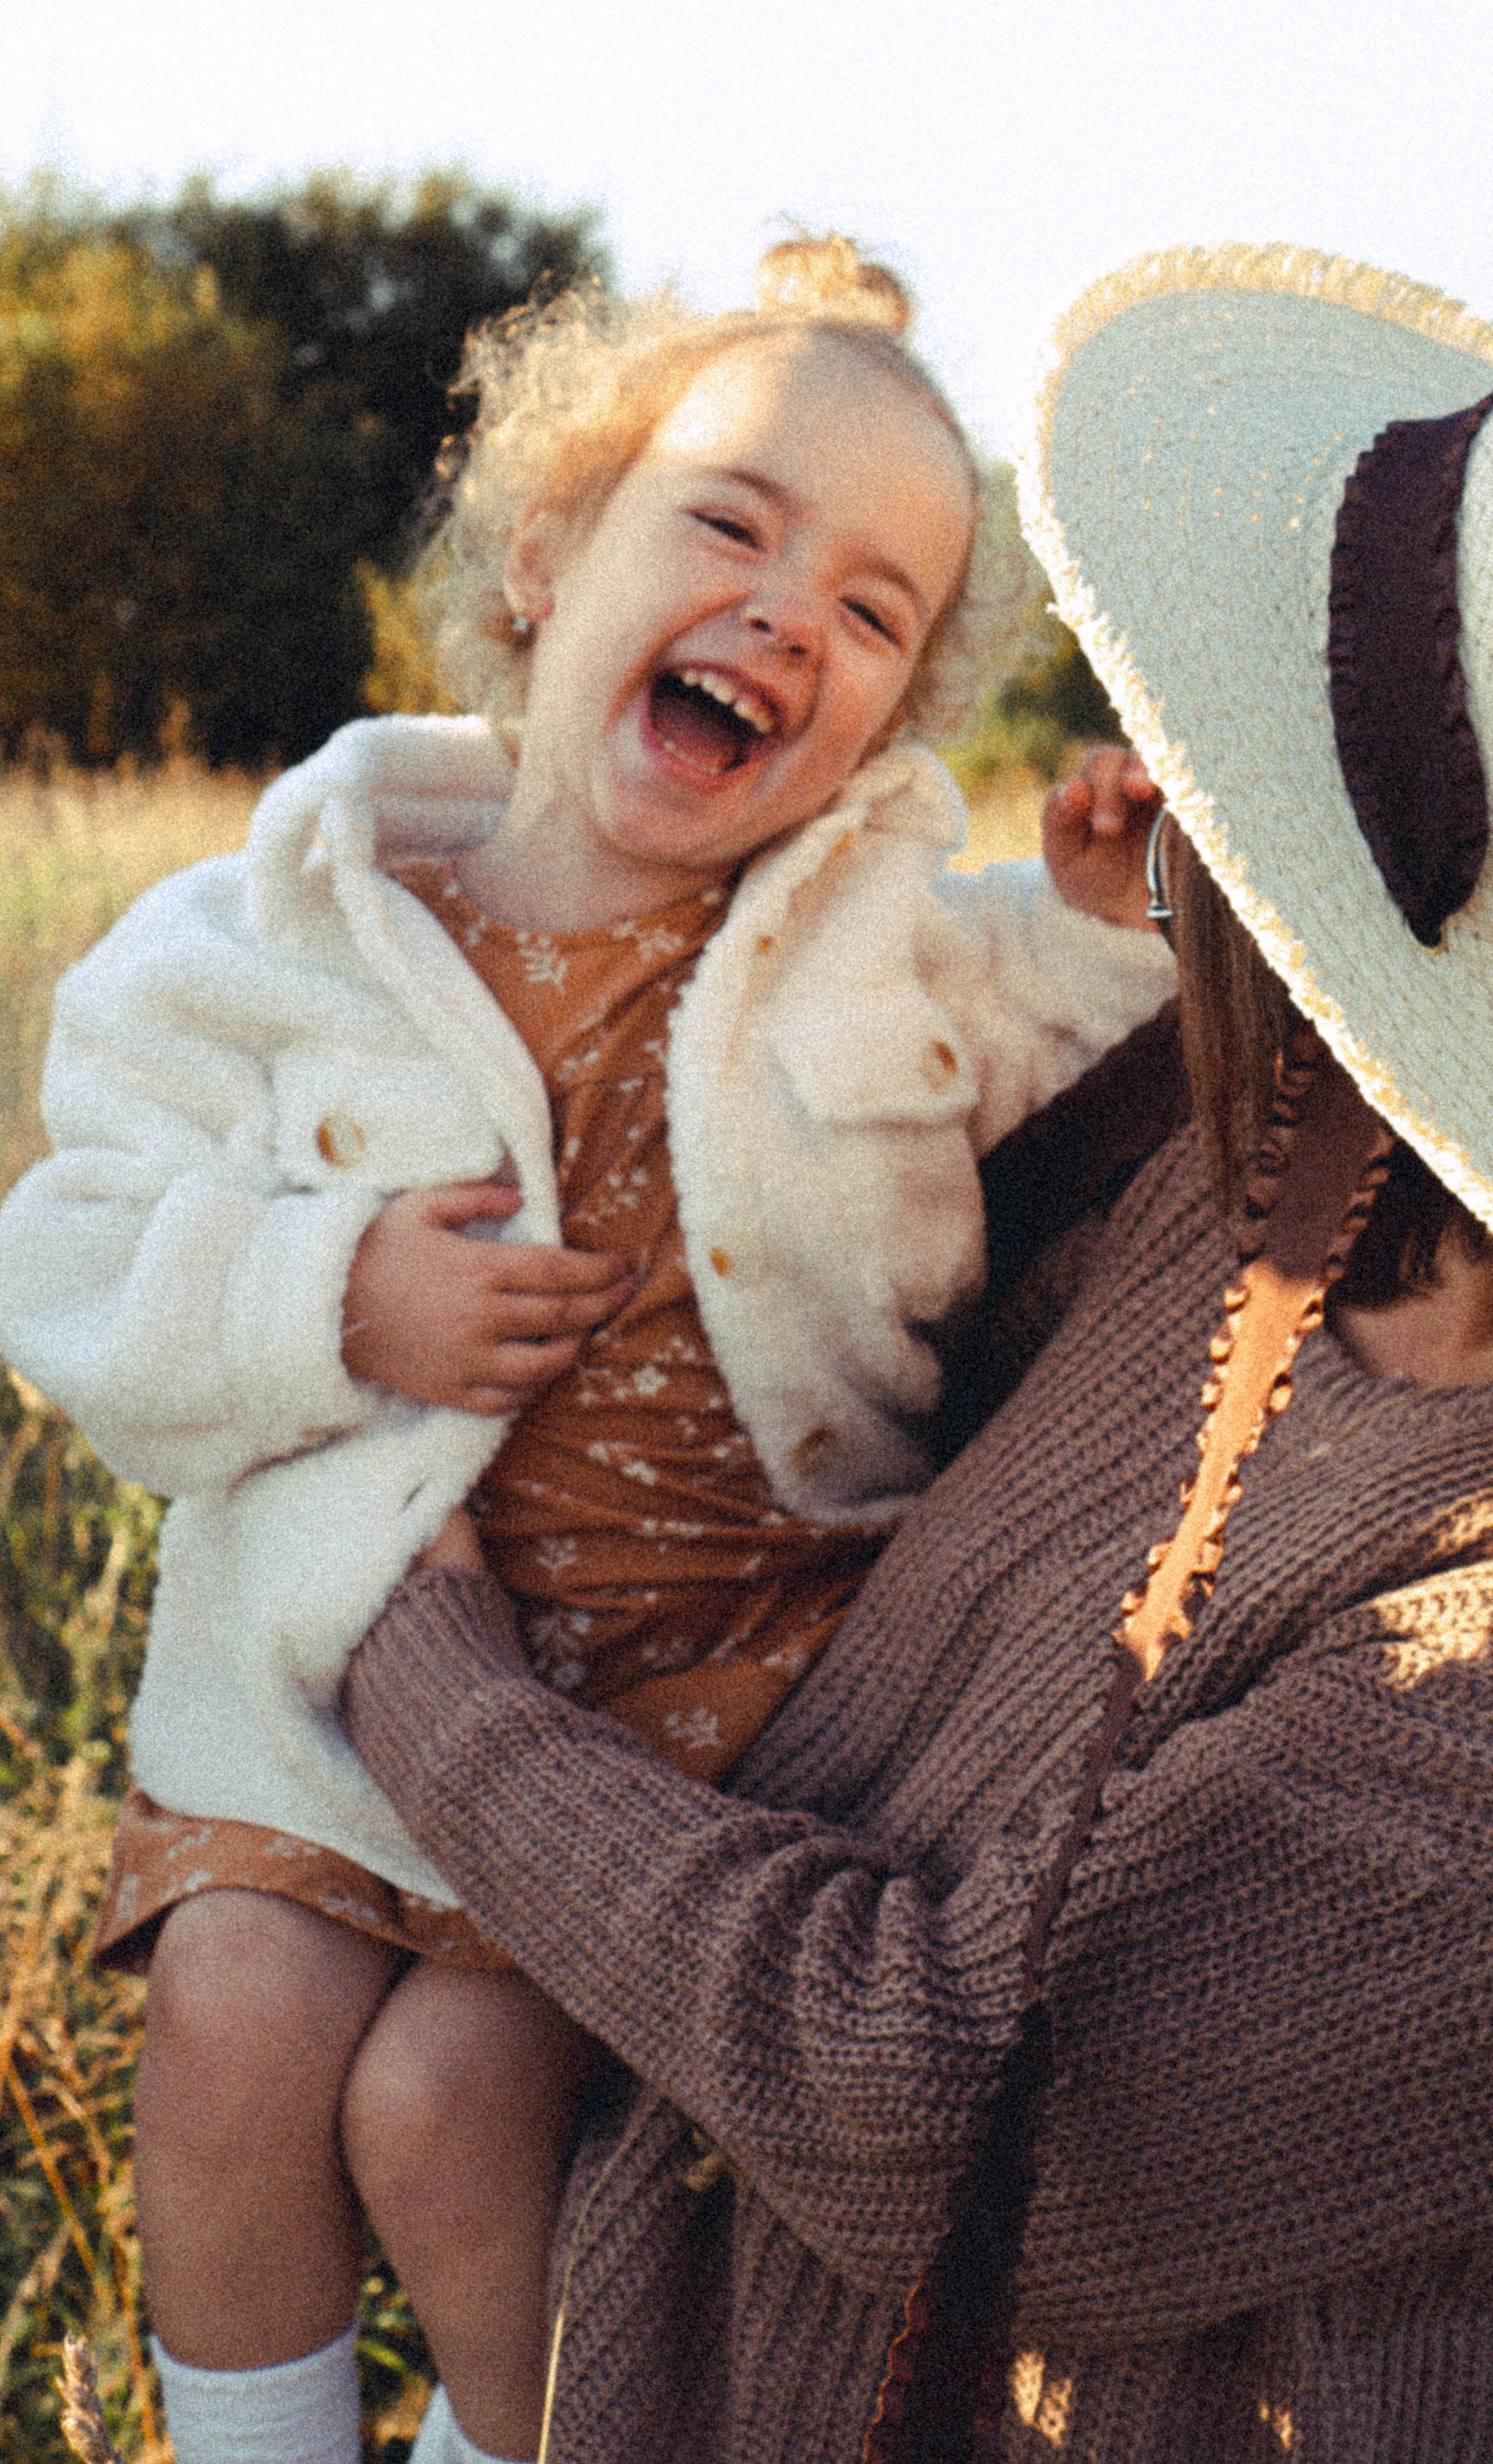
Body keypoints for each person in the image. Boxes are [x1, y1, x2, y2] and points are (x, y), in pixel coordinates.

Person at [0, 237, 1174, 2464]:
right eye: (728, 523)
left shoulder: (869, 941)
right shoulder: (278, 937)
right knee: (238, 2019)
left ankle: (547, 2435)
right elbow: (69, 1258)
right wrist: (329, 1294)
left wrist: (1112, 929)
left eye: (878, 611)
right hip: (342, 1668)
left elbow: (1048, 1028)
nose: (792, 609)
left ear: (884, 735)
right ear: (545, 562)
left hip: (704, 1703)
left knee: (452, 2102)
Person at [341, 241, 1493, 2464]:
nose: (1174, 784)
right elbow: (882, 1389)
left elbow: (930, 2111)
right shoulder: (1259, 1156)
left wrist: (421, 1666)